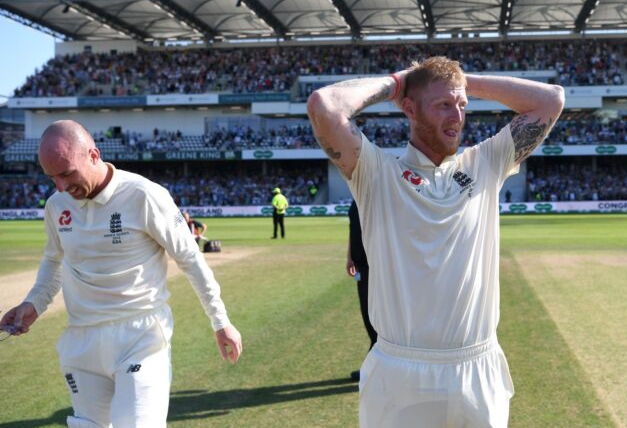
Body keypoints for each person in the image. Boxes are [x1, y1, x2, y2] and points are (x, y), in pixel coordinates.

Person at [307, 56, 564, 427]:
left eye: (462, 106)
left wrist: (458, 83)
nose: (457, 116)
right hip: (399, 375)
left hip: (477, 371)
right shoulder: (377, 173)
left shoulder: (485, 164)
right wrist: (401, 83)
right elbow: (324, 106)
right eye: (444, 105)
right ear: (409, 109)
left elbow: (551, 100)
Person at [0, 120, 243, 428]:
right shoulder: (56, 205)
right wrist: (33, 304)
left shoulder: (144, 195)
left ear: (93, 155)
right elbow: (54, 261)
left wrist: (220, 321)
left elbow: (190, 258)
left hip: (140, 337)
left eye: (66, 173)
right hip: (82, 340)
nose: (61, 186)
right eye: (52, 178)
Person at [346, 200, 377, 382]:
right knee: (368, 316)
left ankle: (373, 369)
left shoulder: (377, 191)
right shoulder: (356, 196)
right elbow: (353, 230)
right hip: (362, 268)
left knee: (377, 319)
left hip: (378, 267)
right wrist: (349, 257)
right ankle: (373, 367)